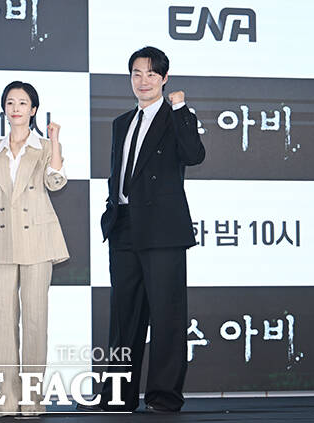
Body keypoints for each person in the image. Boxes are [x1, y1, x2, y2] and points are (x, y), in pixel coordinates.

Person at [91, 46, 205, 413]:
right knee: (124, 318)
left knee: (167, 316)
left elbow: (194, 155)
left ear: (164, 78)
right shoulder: (122, 122)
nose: (144, 80)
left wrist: (181, 108)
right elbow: (118, 173)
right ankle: (117, 396)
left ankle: (164, 396)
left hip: (163, 229)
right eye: (137, 73)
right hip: (124, 225)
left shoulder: (176, 116)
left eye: (152, 74)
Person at [0, 81, 69, 416]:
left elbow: (55, 181)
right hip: (2, 240)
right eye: (10, 102)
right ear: (4, 109)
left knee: (35, 321)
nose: (16, 108)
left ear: (33, 109)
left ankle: (32, 400)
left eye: (23, 103)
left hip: (38, 239)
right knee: (2, 323)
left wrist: (55, 141)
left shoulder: (45, 146)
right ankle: (5, 400)